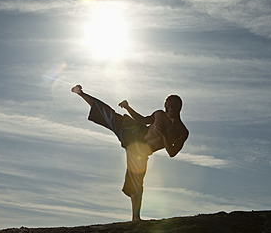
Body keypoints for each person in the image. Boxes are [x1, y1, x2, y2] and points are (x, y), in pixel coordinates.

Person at [71, 84, 189, 221]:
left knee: (137, 182)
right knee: (110, 114)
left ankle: (135, 218)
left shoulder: (181, 131)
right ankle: (81, 93)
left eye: (170, 107)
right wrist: (128, 107)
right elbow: (142, 120)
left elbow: (172, 152)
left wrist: (164, 136)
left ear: (178, 108)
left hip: (141, 151)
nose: (166, 109)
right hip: (134, 133)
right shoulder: (159, 114)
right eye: (166, 106)